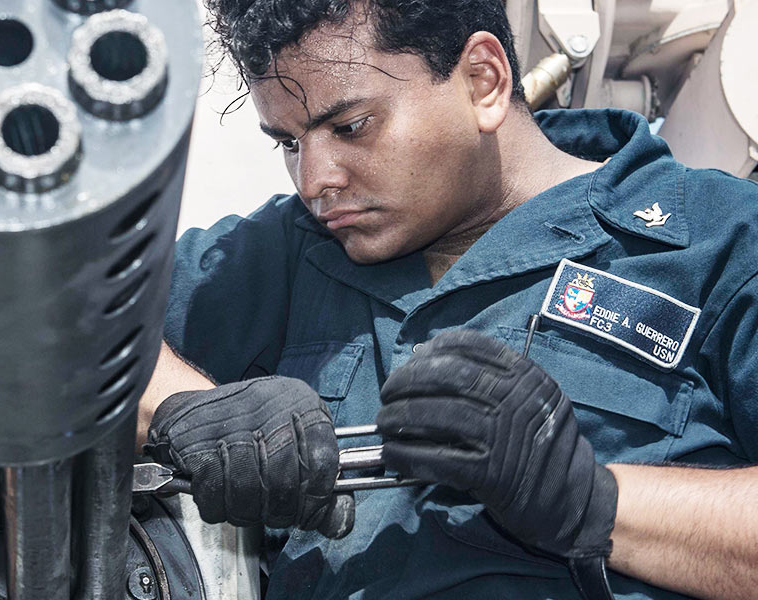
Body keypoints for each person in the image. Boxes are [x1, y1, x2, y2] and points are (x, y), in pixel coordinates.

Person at [139, 1, 758, 598]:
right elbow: (59, 330)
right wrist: (185, 408)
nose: (315, 179)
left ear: (482, 82)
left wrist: (589, 500)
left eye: (349, 127)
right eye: (290, 143)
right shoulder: (286, 251)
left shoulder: (719, 240)